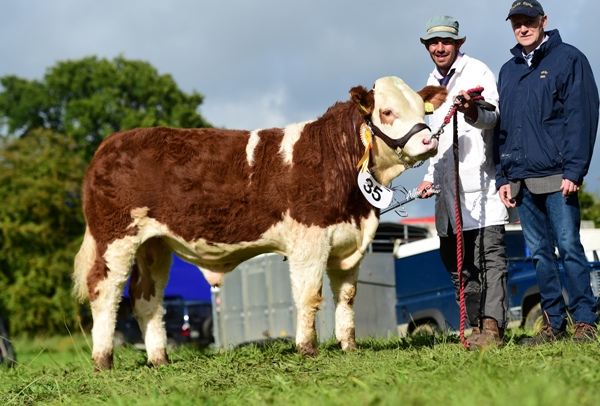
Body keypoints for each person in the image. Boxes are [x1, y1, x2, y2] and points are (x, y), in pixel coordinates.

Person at [495, 0, 599, 345]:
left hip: (559, 177)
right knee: (539, 254)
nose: (522, 28)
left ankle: (585, 321)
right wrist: (503, 177)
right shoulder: (508, 70)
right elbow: (502, 129)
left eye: (528, 21)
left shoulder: (569, 59)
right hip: (521, 180)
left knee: (569, 247)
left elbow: (581, 116)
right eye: (517, 23)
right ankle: (553, 325)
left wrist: (575, 169)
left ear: (543, 21)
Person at [417, 15, 509, 349]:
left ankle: (492, 327)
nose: (440, 48)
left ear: (459, 43)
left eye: (446, 42)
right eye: (434, 43)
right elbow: (434, 140)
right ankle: (475, 326)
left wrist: (471, 111)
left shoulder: (478, 71)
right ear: (427, 47)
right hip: (447, 194)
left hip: (480, 188)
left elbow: (492, 117)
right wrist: (428, 178)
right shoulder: (430, 83)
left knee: (489, 261)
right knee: (458, 267)